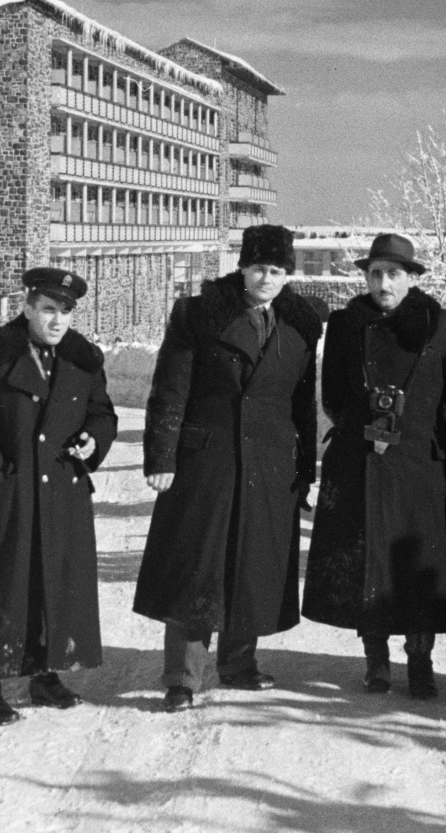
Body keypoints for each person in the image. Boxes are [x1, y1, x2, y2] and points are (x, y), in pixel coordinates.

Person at [133, 224, 328, 712]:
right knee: (198, 567)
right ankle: (182, 678)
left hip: (268, 461)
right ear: (242, 267)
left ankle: (239, 664)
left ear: (287, 276)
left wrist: (306, 466)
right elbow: (169, 388)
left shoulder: (301, 326)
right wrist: (161, 456)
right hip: (207, 460)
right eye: (259, 267)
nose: (267, 277)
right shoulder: (199, 315)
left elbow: (304, 403)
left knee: (253, 564)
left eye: (278, 270)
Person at [0, 267, 118, 726]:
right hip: (14, 493)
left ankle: (46, 675)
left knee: (56, 586)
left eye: (65, 312)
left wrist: (93, 441)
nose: (57, 320)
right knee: (1, 586)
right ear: (27, 307)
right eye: (48, 310)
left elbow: (103, 414)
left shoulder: (84, 360)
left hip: (63, 492)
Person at [303, 233, 446, 698]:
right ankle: (376, 659)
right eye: (375, 273)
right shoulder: (345, 325)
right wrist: (365, 429)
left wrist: (430, 439)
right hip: (361, 460)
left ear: (411, 279)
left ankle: (421, 662)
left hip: (419, 465)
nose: (383, 283)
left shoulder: (445, 326)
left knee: (419, 564)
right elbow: (332, 395)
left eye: (393, 274)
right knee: (368, 561)